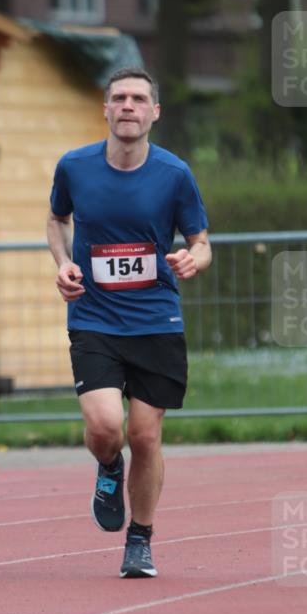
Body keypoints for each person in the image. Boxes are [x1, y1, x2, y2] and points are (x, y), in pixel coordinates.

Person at [47, 67, 211, 579]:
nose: (128, 106)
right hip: (94, 317)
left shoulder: (174, 173)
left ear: (154, 112)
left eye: (139, 98)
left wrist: (193, 259)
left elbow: (201, 240)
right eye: (119, 97)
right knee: (105, 428)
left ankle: (139, 540)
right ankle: (108, 467)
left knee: (145, 435)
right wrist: (63, 263)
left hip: (156, 321)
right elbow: (57, 220)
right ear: (106, 108)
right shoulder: (75, 167)